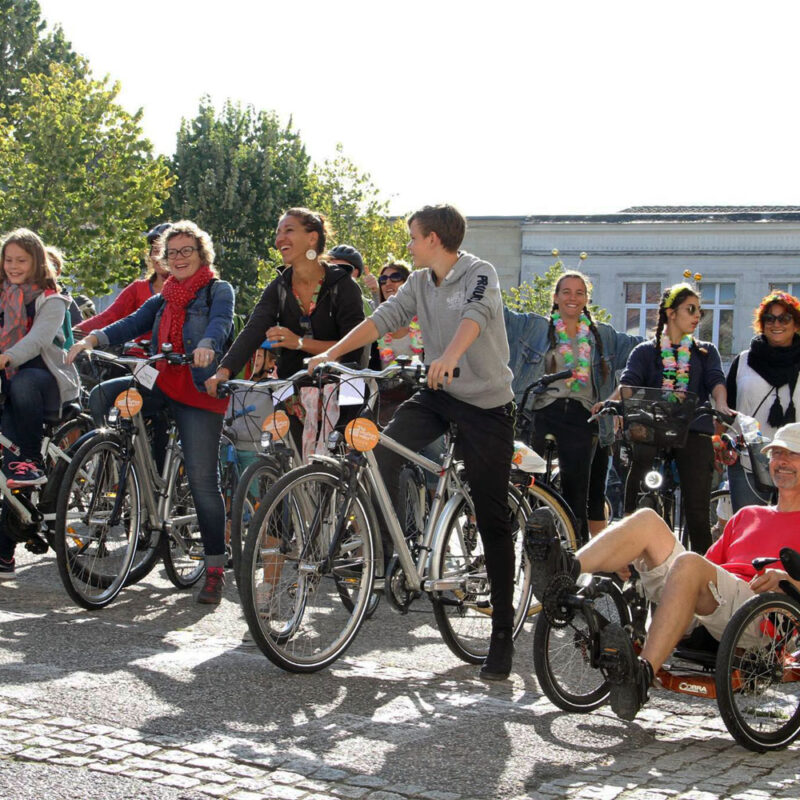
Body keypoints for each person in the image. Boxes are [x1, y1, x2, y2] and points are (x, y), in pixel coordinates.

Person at [308, 204, 518, 682]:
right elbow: (382, 319)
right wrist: (332, 354)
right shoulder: (420, 283)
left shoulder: (477, 272)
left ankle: (502, 634)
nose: (407, 245)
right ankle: (391, 547)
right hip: (439, 396)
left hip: (486, 404)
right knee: (380, 448)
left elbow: (476, 317)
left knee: (491, 515)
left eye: (412, 237)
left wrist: (447, 355)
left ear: (434, 239)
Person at [526, 419, 800, 722]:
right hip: (707, 603)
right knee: (647, 520)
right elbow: (704, 565)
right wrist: (631, 553)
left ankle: (642, 675)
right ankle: (565, 569)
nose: (782, 462)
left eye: (792, 455)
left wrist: (788, 580)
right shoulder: (747, 515)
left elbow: (696, 568)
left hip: (759, 613)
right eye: (776, 454)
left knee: (688, 565)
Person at [67, 221, 234, 604]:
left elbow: (221, 323)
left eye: (185, 251)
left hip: (197, 389)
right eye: (171, 252)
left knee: (203, 480)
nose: (177, 258)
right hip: (159, 383)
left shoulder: (217, 290)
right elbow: (130, 322)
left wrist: (207, 345)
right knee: (106, 396)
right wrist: (92, 339)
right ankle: (134, 470)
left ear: (201, 254)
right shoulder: (164, 295)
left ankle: (213, 569)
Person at [205, 208, 365, 452]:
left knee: (340, 464)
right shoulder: (279, 286)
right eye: (278, 232)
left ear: (312, 238)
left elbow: (352, 344)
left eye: (289, 230)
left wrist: (298, 343)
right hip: (293, 387)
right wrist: (224, 371)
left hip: (345, 390)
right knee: (289, 461)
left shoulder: (343, 286)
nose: (280, 239)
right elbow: (253, 330)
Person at [503, 271, 642, 543]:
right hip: (541, 411)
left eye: (579, 293)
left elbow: (640, 351)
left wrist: (671, 330)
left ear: (587, 299)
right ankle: (512, 548)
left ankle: (576, 558)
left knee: (576, 493)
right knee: (525, 484)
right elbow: (501, 316)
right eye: (566, 292)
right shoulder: (536, 327)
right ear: (555, 297)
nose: (572, 298)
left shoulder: (603, 335)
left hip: (582, 416)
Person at [614, 282, 732, 554]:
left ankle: (702, 572)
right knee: (638, 471)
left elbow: (716, 380)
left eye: (699, 311)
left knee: (698, 509)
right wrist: (614, 404)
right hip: (654, 427)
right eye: (690, 309)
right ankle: (627, 553)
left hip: (694, 429)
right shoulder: (645, 351)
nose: (696, 316)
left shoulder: (705, 351)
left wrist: (722, 404)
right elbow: (628, 383)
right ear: (671, 312)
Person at [0, 228, 80, 577]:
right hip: (7, 374)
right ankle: (4, 554)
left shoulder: (52, 298)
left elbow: (38, 340)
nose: (14, 266)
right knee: (6, 465)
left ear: (36, 261)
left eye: (22, 260)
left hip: (40, 378)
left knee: (17, 457)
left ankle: (31, 458)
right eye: (8, 260)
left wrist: (6, 358)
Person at [726, 290, 800, 511]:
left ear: (796, 325)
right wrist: (722, 442)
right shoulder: (743, 361)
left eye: (784, 318)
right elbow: (726, 409)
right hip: (748, 461)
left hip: (795, 463)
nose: (776, 323)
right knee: (750, 530)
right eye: (770, 318)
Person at [74, 223, 172, 344]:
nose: (159, 257)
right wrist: (74, 332)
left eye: (165, 252)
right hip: (141, 358)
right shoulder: (138, 289)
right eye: (156, 250)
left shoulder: (190, 290)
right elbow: (110, 317)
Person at [328, 243, 381, 308]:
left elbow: (384, 314)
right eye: (330, 268)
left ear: (356, 273)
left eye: (342, 268)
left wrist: (376, 291)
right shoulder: (316, 301)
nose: (335, 272)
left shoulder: (366, 307)